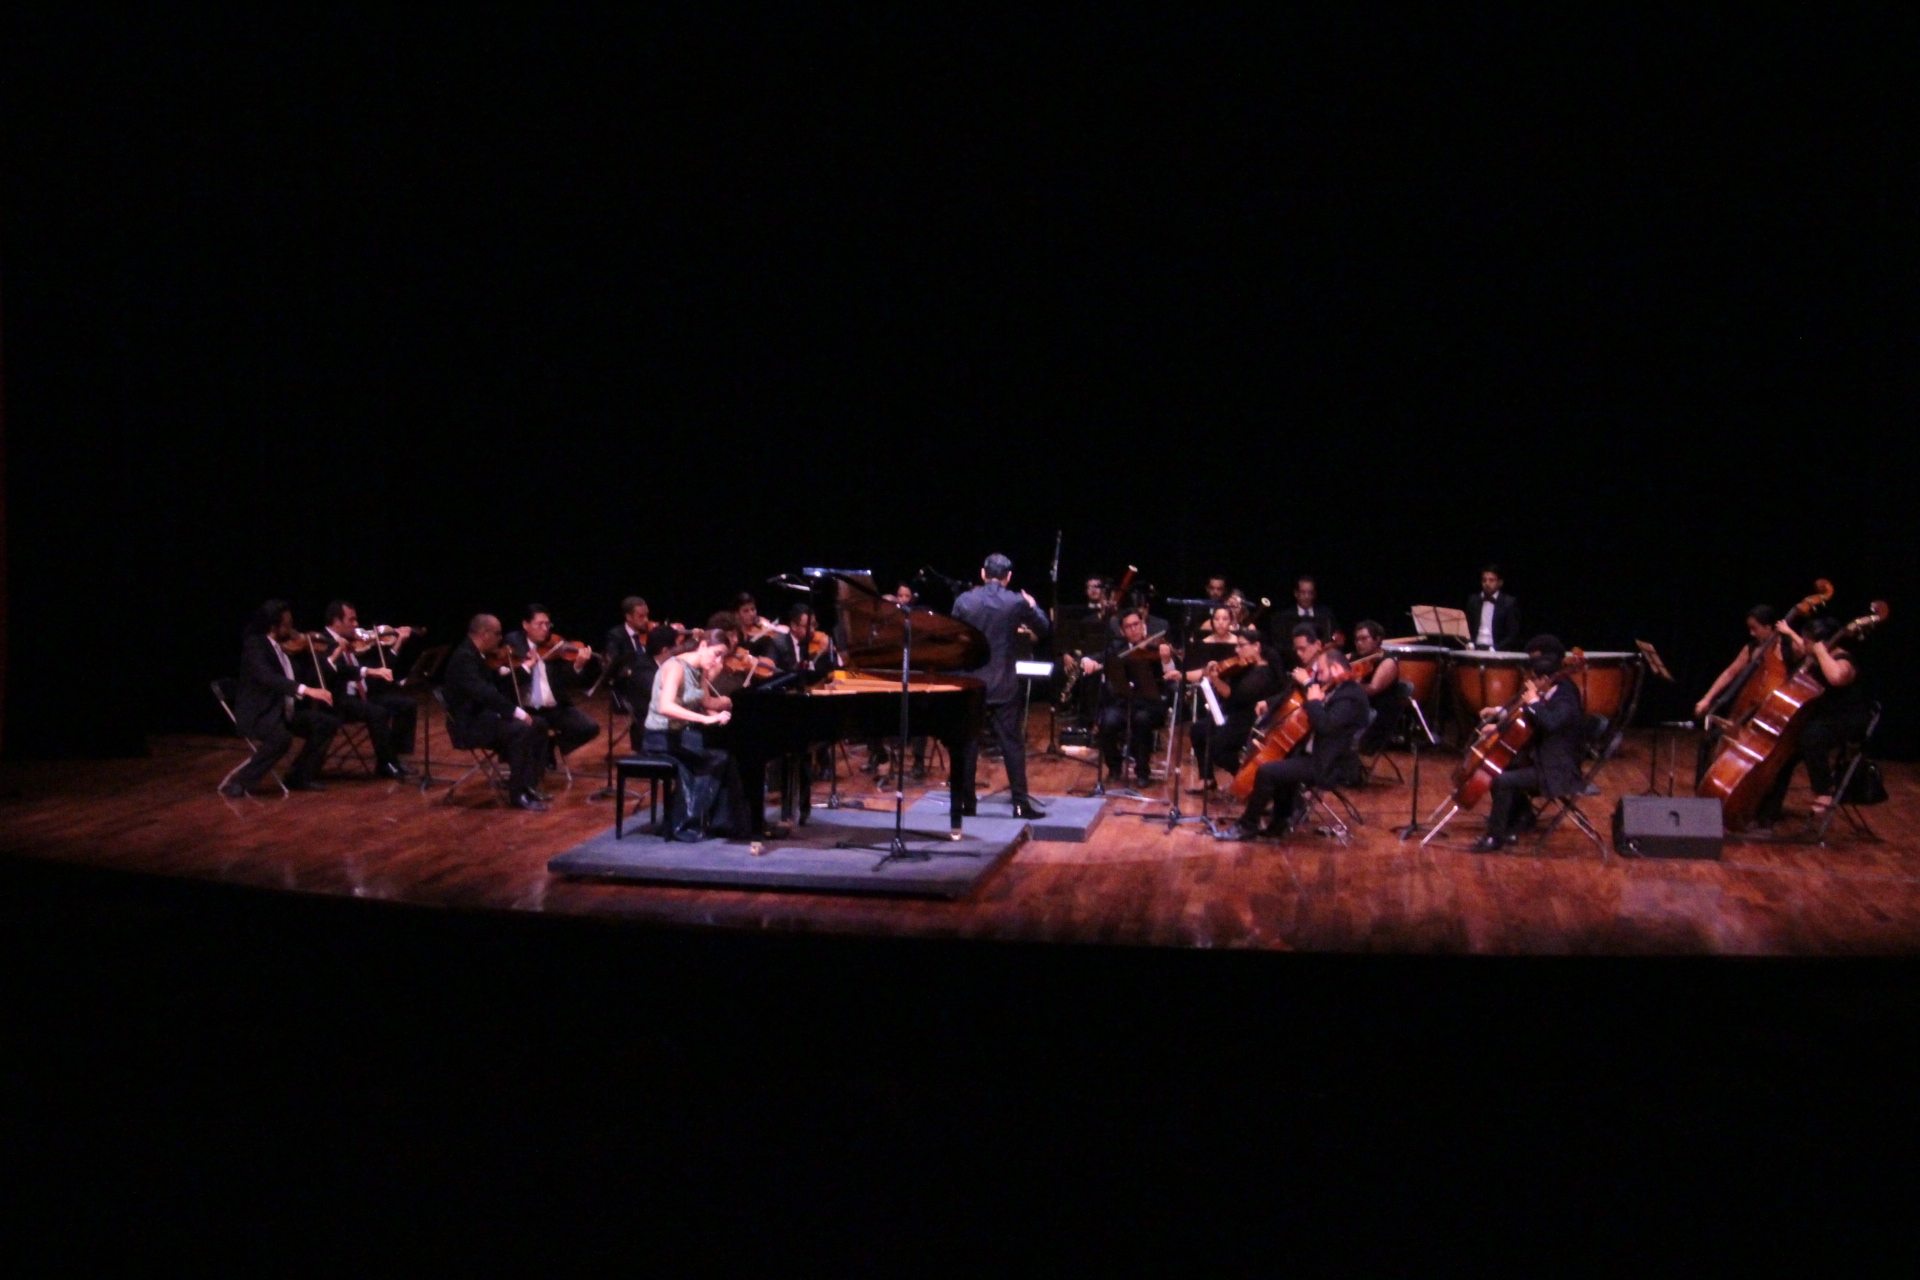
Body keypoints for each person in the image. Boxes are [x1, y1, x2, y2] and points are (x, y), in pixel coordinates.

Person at [950, 552, 1051, 819]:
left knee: (968, 745)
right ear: (1008, 578)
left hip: (972, 683)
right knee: (1012, 745)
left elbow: (954, 639)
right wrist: (1032, 604)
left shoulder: (965, 601)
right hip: (1004, 684)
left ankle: (966, 805)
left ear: (983, 574)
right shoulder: (1016, 602)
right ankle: (1020, 804)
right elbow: (1043, 629)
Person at [1233, 648, 1370, 838]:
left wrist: (1314, 702)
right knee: (1282, 761)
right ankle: (1279, 824)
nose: (1318, 677)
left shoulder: (1351, 696)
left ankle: (1247, 826)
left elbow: (1326, 726)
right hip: (1314, 755)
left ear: (1336, 668)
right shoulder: (1337, 689)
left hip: (1329, 764)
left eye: (1321, 671)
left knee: (1267, 770)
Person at [1751, 615, 1872, 828]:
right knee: (1785, 753)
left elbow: (1836, 678)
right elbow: (1805, 647)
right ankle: (1767, 814)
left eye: (1808, 641)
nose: (1802, 644)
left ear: (1821, 644)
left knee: (1810, 737)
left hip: (1846, 720)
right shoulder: (1817, 654)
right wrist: (1794, 636)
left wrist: (1820, 651)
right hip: (1822, 719)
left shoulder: (1844, 660)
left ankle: (1824, 791)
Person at [1470, 635, 1584, 851]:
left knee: (1502, 781)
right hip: (1544, 761)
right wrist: (1500, 726)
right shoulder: (1553, 691)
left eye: (1533, 680)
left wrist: (1533, 702)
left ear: (1544, 679)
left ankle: (1495, 837)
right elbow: (1531, 722)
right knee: (1500, 766)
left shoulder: (1566, 694)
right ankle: (1515, 822)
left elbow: (1550, 723)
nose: (1529, 685)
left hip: (1558, 770)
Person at [221, 600, 341, 796]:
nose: (292, 628)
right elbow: (268, 677)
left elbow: (304, 676)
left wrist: (331, 657)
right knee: (281, 738)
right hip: (259, 715)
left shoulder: (284, 650)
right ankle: (240, 782)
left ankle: (299, 776)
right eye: (287, 624)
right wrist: (307, 691)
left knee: (326, 723)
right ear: (274, 626)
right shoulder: (256, 645)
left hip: (283, 713)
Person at [642, 627, 751, 841]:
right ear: (702, 645)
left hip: (679, 734)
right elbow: (666, 706)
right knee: (716, 758)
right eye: (716, 654)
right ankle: (682, 823)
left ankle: (723, 822)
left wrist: (730, 707)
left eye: (723, 656)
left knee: (728, 754)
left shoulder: (698, 669)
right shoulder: (675, 667)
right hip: (660, 736)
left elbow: (707, 702)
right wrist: (706, 719)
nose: (718, 660)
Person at [442, 614, 553, 810]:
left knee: (539, 724)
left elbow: (495, 683)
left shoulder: (476, 654)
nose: (500, 639)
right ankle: (517, 794)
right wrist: (516, 712)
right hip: (469, 725)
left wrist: (517, 669)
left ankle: (529, 784)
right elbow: (484, 693)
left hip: (484, 718)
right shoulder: (464, 658)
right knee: (520, 729)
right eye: (497, 634)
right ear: (484, 634)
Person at [311, 599, 417, 779]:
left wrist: (398, 642)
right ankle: (386, 764)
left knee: (407, 705)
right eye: (351, 620)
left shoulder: (355, 642)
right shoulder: (322, 641)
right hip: (339, 699)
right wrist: (368, 671)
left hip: (363, 695)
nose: (356, 625)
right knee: (377, 712)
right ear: (336, 622)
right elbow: (338, 671)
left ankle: (393, 758)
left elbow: (384, 670)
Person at [1175, 628, 1280, 791]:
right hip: (1232, 715)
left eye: (1241, 646)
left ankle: (1245, 780)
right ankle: (1207, 778)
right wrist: (1215, 669)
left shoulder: (1263, 674)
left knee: (1218, 748)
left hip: (1248, 721)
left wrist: (1215, 679)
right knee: (1198, 730)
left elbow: (1233, 695)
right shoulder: (1246, 666)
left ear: (1256, 646)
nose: (1237, 650)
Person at [1081, 608, 1174, 788]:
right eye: (1128, 627)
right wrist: (1087, 661)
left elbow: (1171, 675)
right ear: (1122, 631)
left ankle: (1142, 771)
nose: (1133, 629)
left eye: (1136, 625)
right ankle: (1114, 767)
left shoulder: (1156, 648)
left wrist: (1166, 659)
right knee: (1107, 721)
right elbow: (1097, 658)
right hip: (1124, 703)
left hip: (1151, 705)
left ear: (1143, 626)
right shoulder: (1117, 648)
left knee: (1141, 719)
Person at [505, 604, 601, 766]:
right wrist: (528, 661)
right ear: (525, 625)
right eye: (539, 624)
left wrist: (577, 666)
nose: (545, 629)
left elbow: (567, 681)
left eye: (547, 624)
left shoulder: (556, 647)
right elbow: (510, 678)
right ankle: (539, 754)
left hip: (555, 708)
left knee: (589, 728)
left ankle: (549, 746)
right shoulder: (514, 643)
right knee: (534, 729)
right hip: (526, 709)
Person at [602, 596, 663, 752]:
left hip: (649, 682)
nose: (646, 620)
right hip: (626, 688)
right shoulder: (616, 635)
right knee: (650, 698)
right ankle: (644, 747)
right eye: (641, 616)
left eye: (647, 615)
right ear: (628, 617)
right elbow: (615, 664)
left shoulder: (650, 633)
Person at [1349, 620, 1404, 753]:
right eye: (1356, 640)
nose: (1359, 643)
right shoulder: (1356, 657)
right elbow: (1336, 661)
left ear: (1377, 639)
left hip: (1376, 717)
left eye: (1364, 639)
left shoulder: (1388, 661)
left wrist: (1348, 685)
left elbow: (1373, 689)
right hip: (1360, 711)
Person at [1273, 574, 1338, 647]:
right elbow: (1280, 645)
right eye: (1303, 592)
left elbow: (1334, 638)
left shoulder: (1326, 615)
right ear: (1296, 593)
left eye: (1310, 593)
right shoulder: (1284, 617)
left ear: (1314, 594)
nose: (1306, 596)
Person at [1468, 565, 1521, 651]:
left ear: (1500, 583)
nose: (1487, 583)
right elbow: (1468, 627)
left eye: (1491, 580)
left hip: (1497, 649)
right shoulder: (1473, 601)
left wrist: (1496, 648)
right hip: (1475, 648)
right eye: (1484, 580)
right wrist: (1469, 642)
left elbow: (1513, 634)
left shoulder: (1509, 603)